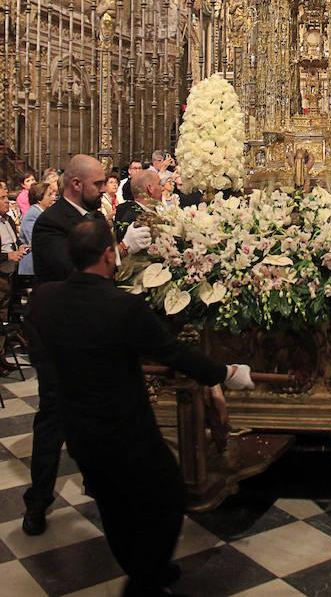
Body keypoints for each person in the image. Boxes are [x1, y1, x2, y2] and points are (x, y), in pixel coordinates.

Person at [27, 217, 255, 597]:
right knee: (168, 497)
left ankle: (145, 570)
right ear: (108, 253)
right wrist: (227, 372)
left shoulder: (44, 300)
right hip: (126, 429)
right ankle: (145, 578)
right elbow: (173, 353)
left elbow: (43, 354)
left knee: (113, 506)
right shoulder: (120, 306)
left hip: (79, 428)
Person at [24, 154, 152, 536]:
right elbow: (71, 270)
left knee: (102, 410)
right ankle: (38, 501)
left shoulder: (96, 219)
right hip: (57, 334)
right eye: (99, 184)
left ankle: (102, 486)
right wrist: (121, 249)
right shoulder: (50, 223)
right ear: (77, 184)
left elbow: (106, 274)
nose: (105, 188)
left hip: (95, 330)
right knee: (54, 414)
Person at [0, 191, 28, 374]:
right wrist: (7, 255)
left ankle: (1, 357)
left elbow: (14, 241)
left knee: (3, 317)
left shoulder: (8, 220)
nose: (7, 202)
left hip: (9, 274)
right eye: (2, 198)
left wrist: (20, 247)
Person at [18, 180, 58, 278]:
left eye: (53, 194)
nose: (54, 198)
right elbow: (35, 240)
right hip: (31, 268)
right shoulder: (32, 214)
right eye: (50, 195)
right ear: (39, 199)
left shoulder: (43, 213)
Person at [115, 168, 163, 241]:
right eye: (159, 184)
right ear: (150, 188)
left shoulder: (153, 211)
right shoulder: (135, 218)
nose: (162, 188)